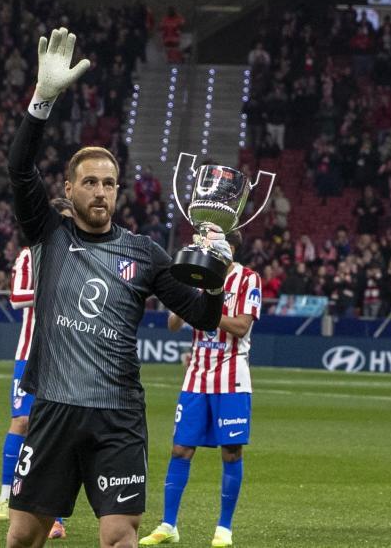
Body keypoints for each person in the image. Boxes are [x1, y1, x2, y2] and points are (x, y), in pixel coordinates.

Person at [5, 27, 227, 548]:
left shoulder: (145, 252)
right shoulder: (49, 232)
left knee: (119, 538)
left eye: (109, 183)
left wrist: (215, 279)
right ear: (68, 189)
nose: (101, 191)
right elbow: (18, 168)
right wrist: (41, 101)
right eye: (89, 182)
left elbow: (205, 317)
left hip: (118, 415)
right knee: (20, 538)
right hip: (54, 409)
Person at [139, 230, 261, 548]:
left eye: (212, 243)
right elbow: (173, 325)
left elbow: (241, 326)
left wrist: (207, 309)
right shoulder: (196, 278)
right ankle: (168, 524)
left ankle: (224, 528)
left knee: (231, 451)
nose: (206, 247)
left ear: (230, 247)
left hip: (232, 378)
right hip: (196, 376)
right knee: (180, 449)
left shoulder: (248, 279)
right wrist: (191, 297)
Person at [0, 197, 75, 543]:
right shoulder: (31, 254)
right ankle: (5, 496)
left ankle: (55, 515)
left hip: (69, 356)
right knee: (22, 422)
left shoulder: (84, 257)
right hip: (31, 353)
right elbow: (17, 297)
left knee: (58, 431)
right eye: (64, 220)